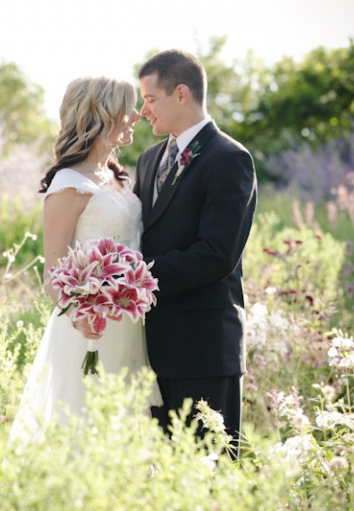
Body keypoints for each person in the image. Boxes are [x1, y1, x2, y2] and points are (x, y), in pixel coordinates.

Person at [10, 76, 162, 442]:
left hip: (131, 321)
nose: (138, 115)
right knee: (87, 426)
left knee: (127, 426)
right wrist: (80, 316)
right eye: (129, 108)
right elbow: (53, 272)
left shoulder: (117, 175)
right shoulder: (67, 184)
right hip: (90, 328)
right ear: (103, 113)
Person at [134, 49, 258, 455]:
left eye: (150, 99)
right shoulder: (150, 159)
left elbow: (216, 255)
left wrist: (136, 278)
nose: (143, 110)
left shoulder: (229, 159)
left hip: (203, 350)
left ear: (182, 93)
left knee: (207, 478)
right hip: (149, 352)